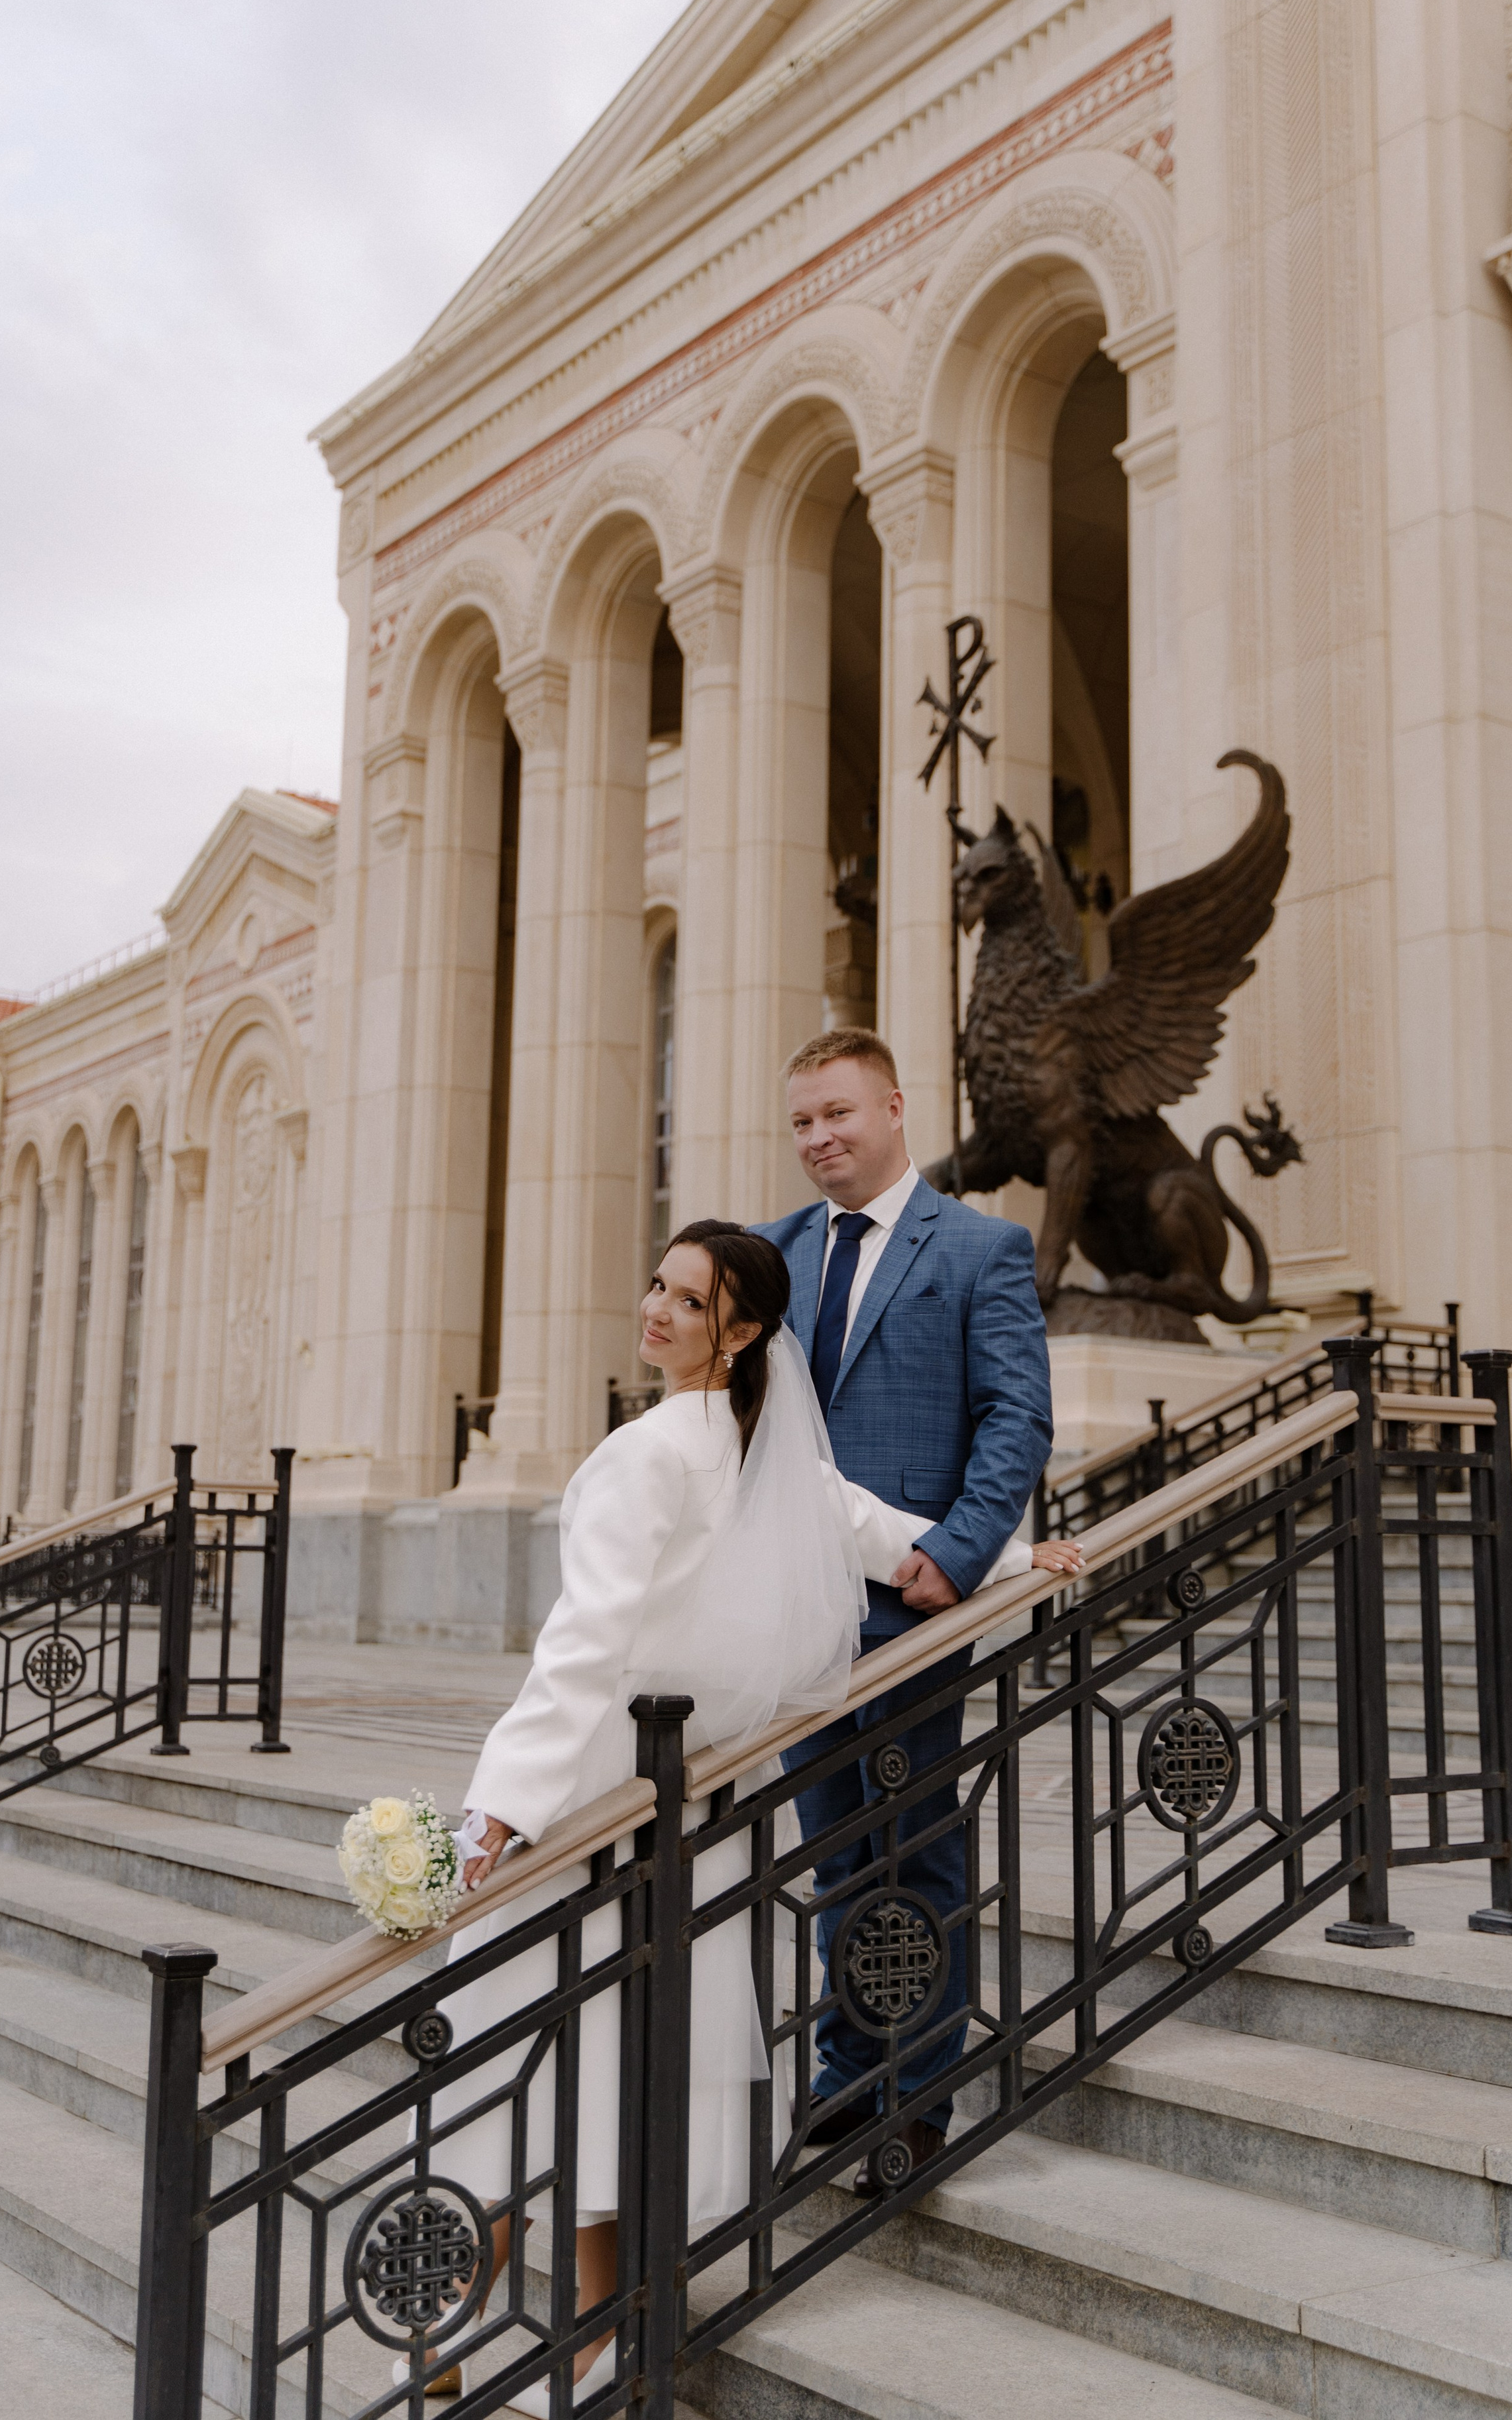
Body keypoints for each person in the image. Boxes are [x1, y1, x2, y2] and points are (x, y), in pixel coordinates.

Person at [417, 1221, 951, 2417]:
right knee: (617, 2043)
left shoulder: (647, 1454)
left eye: (688, 1301)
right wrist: (1016, 1555)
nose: (655, 1310)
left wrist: (499, 1807)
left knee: (526, 2036)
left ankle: (446, 2338)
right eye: (656, 1286)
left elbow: (583, 1646)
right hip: (695, 1792)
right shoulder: (773, 1461)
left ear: (744, 1330)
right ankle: (589, 2343)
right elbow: (898, 1541)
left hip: (603, 1781)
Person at [753, 1026, 1056, 2197]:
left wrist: (962, 1551)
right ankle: (844, 2069)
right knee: (834, 1857)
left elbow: (1014, 1420)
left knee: (918, 1856)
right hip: (797, 1616)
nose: (819, 1139)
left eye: (837, 1113)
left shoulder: (980, 1249)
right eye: (800, 1122)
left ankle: (919, 2095)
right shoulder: (769, 1257)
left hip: (914, 1612)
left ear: (893, 1107)